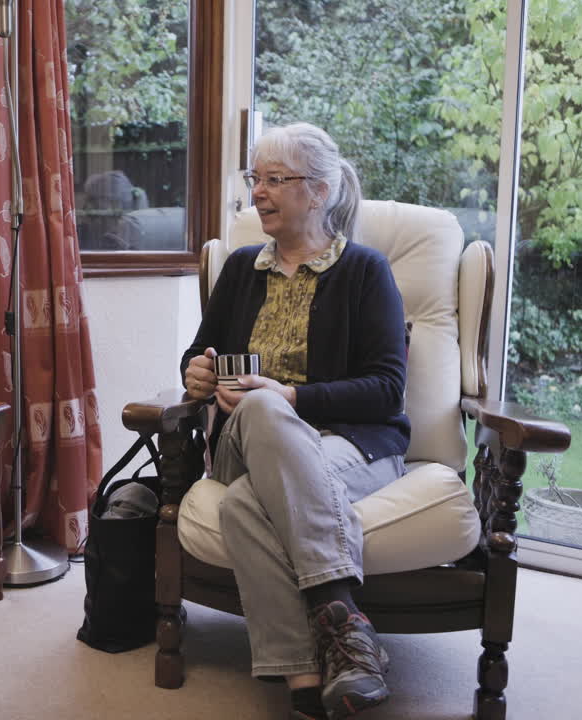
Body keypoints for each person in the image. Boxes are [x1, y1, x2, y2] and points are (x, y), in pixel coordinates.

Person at [181, 123, 408, 720]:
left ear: (320, 191)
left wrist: (290, 396)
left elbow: (387, 389)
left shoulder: (365, 271)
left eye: (276, 180)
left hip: (350, 444)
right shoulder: (239, 270)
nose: (259, 192)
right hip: (243, 443)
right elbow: (196, 354)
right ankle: (343, 614)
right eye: (255, 178)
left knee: (240, 507)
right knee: (259, 407)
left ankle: (305, 684)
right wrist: (196, 376)